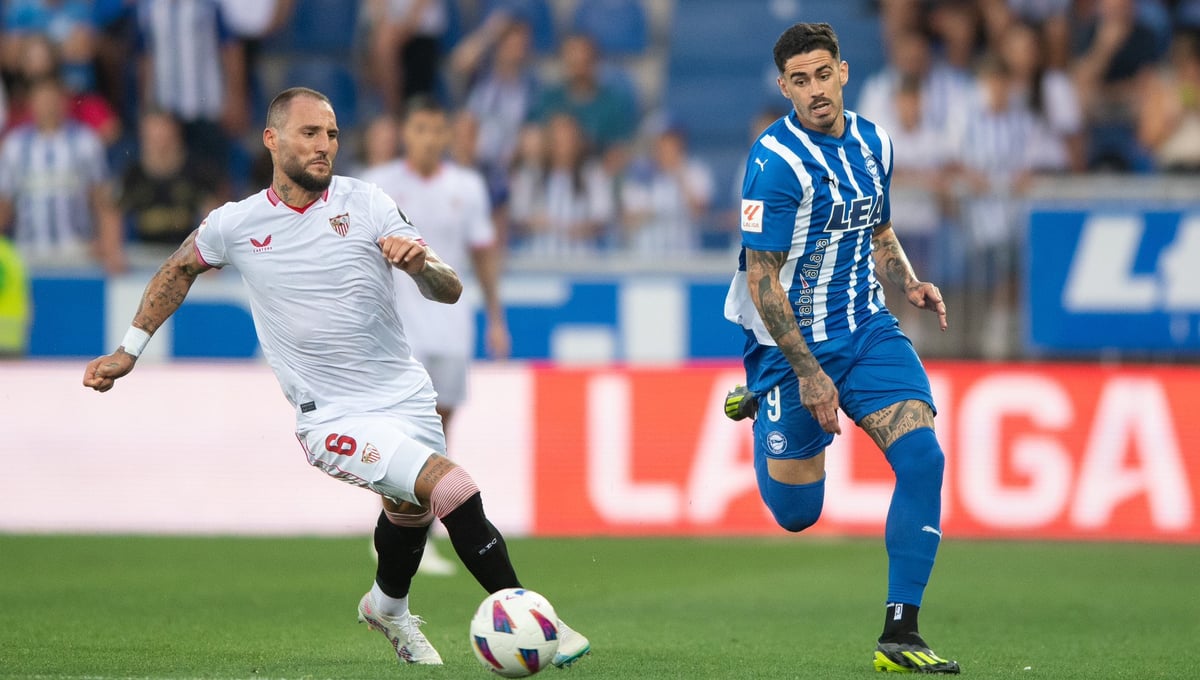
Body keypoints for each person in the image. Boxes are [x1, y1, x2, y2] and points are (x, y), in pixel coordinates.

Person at [81, 87, 589, 670]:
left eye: (332, 134)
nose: (324, 145)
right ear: (272, 140)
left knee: (410, 511)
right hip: (332, 416)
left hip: (405, 395)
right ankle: (533, 617)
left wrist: (422, 265)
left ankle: (386, 607)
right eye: (310, 133)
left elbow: (449, 289)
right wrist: (129, 350)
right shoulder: (236, 223)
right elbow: (178, 268)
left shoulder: (368, 202)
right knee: (450, 488)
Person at [721, 23, 959, 674]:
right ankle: (762, 400)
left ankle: (901, 633)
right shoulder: (774, 163)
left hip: (867, 327)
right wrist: (807, 374)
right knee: (798, 514)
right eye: (800, 80)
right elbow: (762, 279)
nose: (815, 90)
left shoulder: (877, 142)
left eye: (823, 74)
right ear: (785, 88)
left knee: (924, 459)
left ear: (844, 72)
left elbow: (878, 227)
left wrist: (908, 281)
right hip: (789, 346)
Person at [359, 94, 510, 576]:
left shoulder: (467, 186)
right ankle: (392, 533)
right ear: (406, 133)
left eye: (436, 129)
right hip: (398, 330)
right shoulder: (378, 185)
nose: (428, 138)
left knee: (439, 432)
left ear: (447, 134)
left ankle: (418, 531)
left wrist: (496, 316)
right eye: (420, 128)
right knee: (401, 432)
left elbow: (482, 253)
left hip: (451, 324)